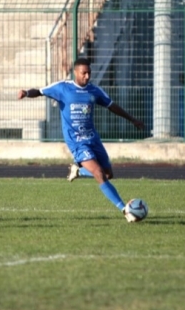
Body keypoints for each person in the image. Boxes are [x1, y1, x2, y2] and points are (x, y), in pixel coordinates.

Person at [18, 58, 146, 221]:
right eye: (83, 73)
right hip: (76, 141)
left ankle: (78, 170)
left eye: (89, 73)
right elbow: (40, 91)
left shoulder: (94, 91)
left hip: (93, 138)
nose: (87, 76)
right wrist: (27, 93)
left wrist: (132, 119)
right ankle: (125, 211)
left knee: (108, 174)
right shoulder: (63, 88)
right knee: (99, 173)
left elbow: (112, 105)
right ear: (75, 73)